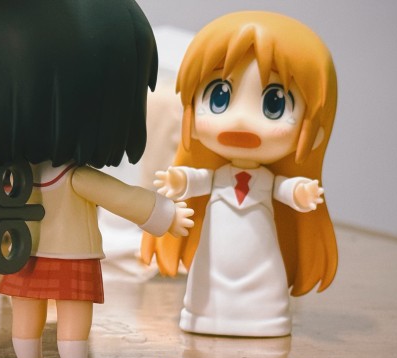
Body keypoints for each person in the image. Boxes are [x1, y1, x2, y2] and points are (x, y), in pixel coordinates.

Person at [0, 0, 193, 358]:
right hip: (58, 253)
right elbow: (121, 197)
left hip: (25, 253)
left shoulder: (21, 176)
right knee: (58, 309)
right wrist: (164, 215)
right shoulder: (45, 177)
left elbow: (119, 196)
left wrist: (163, 215)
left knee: (35, 308)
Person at [141, 11, 338, 337]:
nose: (241, 121)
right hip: (212, 267)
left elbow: (285, 190)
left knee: (265, 285)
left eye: (274, 104)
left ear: (314, 131)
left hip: (261, 267)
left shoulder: (266, 182)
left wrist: (300, 192)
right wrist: (180, 181)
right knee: (206, 283)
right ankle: (202, 313)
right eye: (219, 97)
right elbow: (198, 180)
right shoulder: (217, 176)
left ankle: (266, 317)